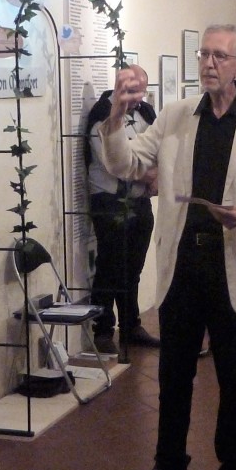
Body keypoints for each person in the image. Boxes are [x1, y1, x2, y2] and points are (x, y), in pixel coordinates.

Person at [97, 24, 236, 470]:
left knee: (235, 377)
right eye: (204, 54)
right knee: (173, 374)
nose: (208, 63)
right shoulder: (176, 115)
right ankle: (169, 463)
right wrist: (116, 116)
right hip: (183, 264)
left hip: (234, 263)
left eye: (219, 56)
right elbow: (125, 165)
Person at [84, 65, 160, 356]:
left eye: (141, 90)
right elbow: (114, 163)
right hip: (109, 202)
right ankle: (103, 330)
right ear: (119, 86)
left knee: (134, 268)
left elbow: (161, 151)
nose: (137, 97)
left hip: (140, 201)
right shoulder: (103, 115)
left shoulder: (147, 113)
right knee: (109, 266)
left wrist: (157, 173)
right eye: (132, 90)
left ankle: (131, 325)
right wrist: (150, 174)